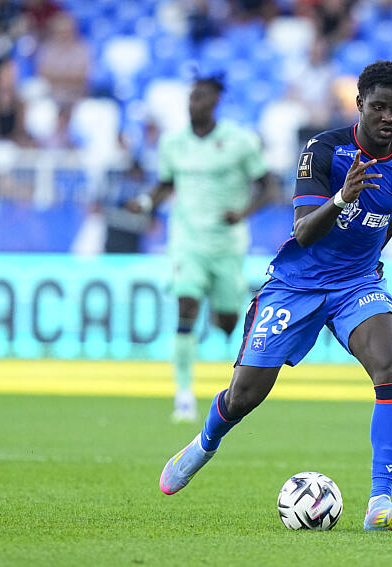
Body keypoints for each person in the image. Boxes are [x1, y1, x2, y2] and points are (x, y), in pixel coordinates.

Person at [158, 61, 392, 532]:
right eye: (379, 107)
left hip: (356, 286)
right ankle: (203, 444)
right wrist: (342, 199)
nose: (388, 118)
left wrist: (365, 271)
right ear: (359, 103)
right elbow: (302, 232)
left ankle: (379, 502)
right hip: (295, 286)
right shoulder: (323, 150)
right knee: (244, 397)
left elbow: (386, 225)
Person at [127, 74, 279, 422]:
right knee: (186, 303)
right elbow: (165, 185)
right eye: (191, 97)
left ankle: (223, 309)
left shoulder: (240, 141)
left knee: (226, 320)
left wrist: (242, 213)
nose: (193, 103)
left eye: (200, 98)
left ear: (215, 102)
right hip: (186, 241)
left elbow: (268, 188)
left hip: (227, 245)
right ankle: (183, 395)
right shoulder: (173, 143)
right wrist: (146, 202)